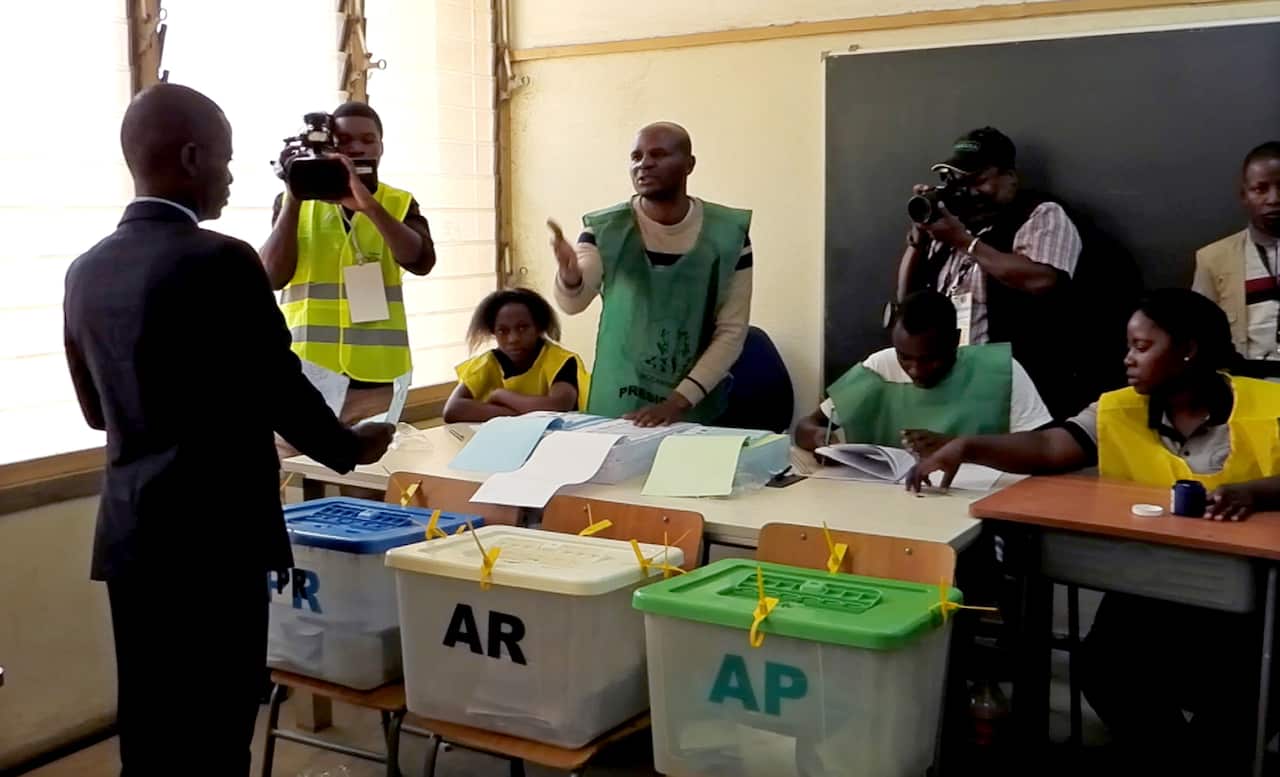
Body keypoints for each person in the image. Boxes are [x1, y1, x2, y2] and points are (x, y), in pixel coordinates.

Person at [63, 84, 394, 775]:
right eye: (225, 160)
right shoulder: (220, 259)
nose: (232, 175)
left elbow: (97, 411)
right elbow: (278, 387)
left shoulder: (84, 270)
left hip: (131, 535)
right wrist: (349, 446)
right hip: (214, 538)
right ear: (190, 156)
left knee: (152, 728)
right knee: (216, 728)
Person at [906, 289, 1280, 772]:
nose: (1128, 360)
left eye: (1142, 348)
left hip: (1257, 596)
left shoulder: (1269, 405)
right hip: (1156, 579)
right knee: (1104, 668)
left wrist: (1255, 493)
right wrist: (964, 447)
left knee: (1247, 687)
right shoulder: (1117, 410)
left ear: (1188, 350)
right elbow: (1046, 448)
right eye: (1128, 346)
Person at [548, 121, 752, 427]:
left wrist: (677, 403)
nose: (644, 164)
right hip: (617, 408)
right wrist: (570, 274)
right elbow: (574, 302)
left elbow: (731, 332)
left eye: (658, 154)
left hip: (690, 411)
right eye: (636, 157)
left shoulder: (728, 236)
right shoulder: (605, 229)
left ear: (689, 164)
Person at [260, 101, 436, 426]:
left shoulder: (398, 202)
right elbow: (271, 276)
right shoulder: (292, 202)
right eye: (344, 141)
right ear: (328, 146)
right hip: (305, 373)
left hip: (376, 376)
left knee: (370, 474)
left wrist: (370, 207)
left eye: (368, 140)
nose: (357, 149)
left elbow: (421, 260)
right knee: (297, 470)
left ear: (382, 146)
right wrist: (294, 195)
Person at [896, 127, 1089, 418]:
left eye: (978, 180)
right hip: (952, 387)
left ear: (1010, 177)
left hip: (1020, 390)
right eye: (960, 182)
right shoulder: (952, 229)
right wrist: (919, 243)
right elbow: (907, 306)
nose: (969, 192)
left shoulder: (1040, 215)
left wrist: (964, 241)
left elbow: (1042, 280)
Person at [794, 289, 1053, 453]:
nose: (915, 370)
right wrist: (821, 441)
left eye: (930, 359)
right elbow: (805, 427)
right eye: (904, 357)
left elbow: (1043, 446)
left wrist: (957, 446)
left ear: (955, 340)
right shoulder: (880, 368)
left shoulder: (1000, 370)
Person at [443, 287, 590, 422]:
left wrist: (501, 395)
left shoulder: (561, 361)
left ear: (539, 327)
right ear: (493, 332)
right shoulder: (488, 363)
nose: (513, 339)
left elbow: (559, 406)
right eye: (503, 331)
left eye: (522, 328)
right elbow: (452, 410)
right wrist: (517, 414)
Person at [1193, 141, 1280, 368]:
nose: (1274, 199)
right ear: (1244, 195)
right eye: (1260, 189)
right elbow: (1196, 335)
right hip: (1246, 384)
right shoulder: (1213, 259)